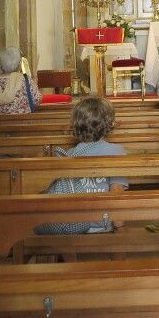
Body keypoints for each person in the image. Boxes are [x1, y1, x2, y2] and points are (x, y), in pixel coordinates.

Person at [35, 97, 129, 235]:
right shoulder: (116, 151)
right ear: (109, 124)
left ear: (76, 126)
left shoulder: (69, 154)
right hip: (104, 222)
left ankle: (69, 255)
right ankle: (118, 256)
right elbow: (117, 190)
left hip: (74, 222)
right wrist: (119, 225)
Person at [0, 46, 42, 115]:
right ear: (18, 65)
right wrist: (35, 84)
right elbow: (36, 100)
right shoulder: (25, 80)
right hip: (20, 123)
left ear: (0, 64)